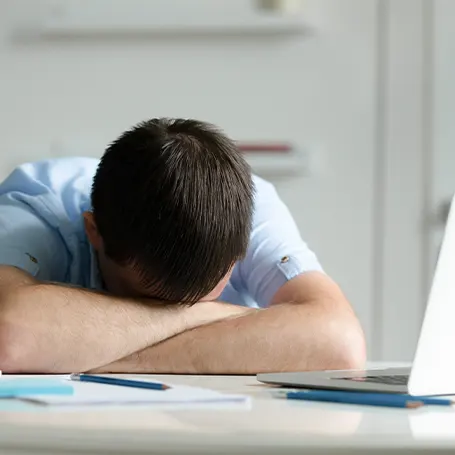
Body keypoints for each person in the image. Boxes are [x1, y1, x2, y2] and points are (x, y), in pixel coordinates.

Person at [0, 118, 365, 374]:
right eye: (149, 300)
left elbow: (340, 342)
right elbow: (8, 333)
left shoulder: (247, 207)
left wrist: (81, 350)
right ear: (93, 231)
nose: (178, 312)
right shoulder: (33, 206)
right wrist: (214, 317)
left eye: (200, 302)